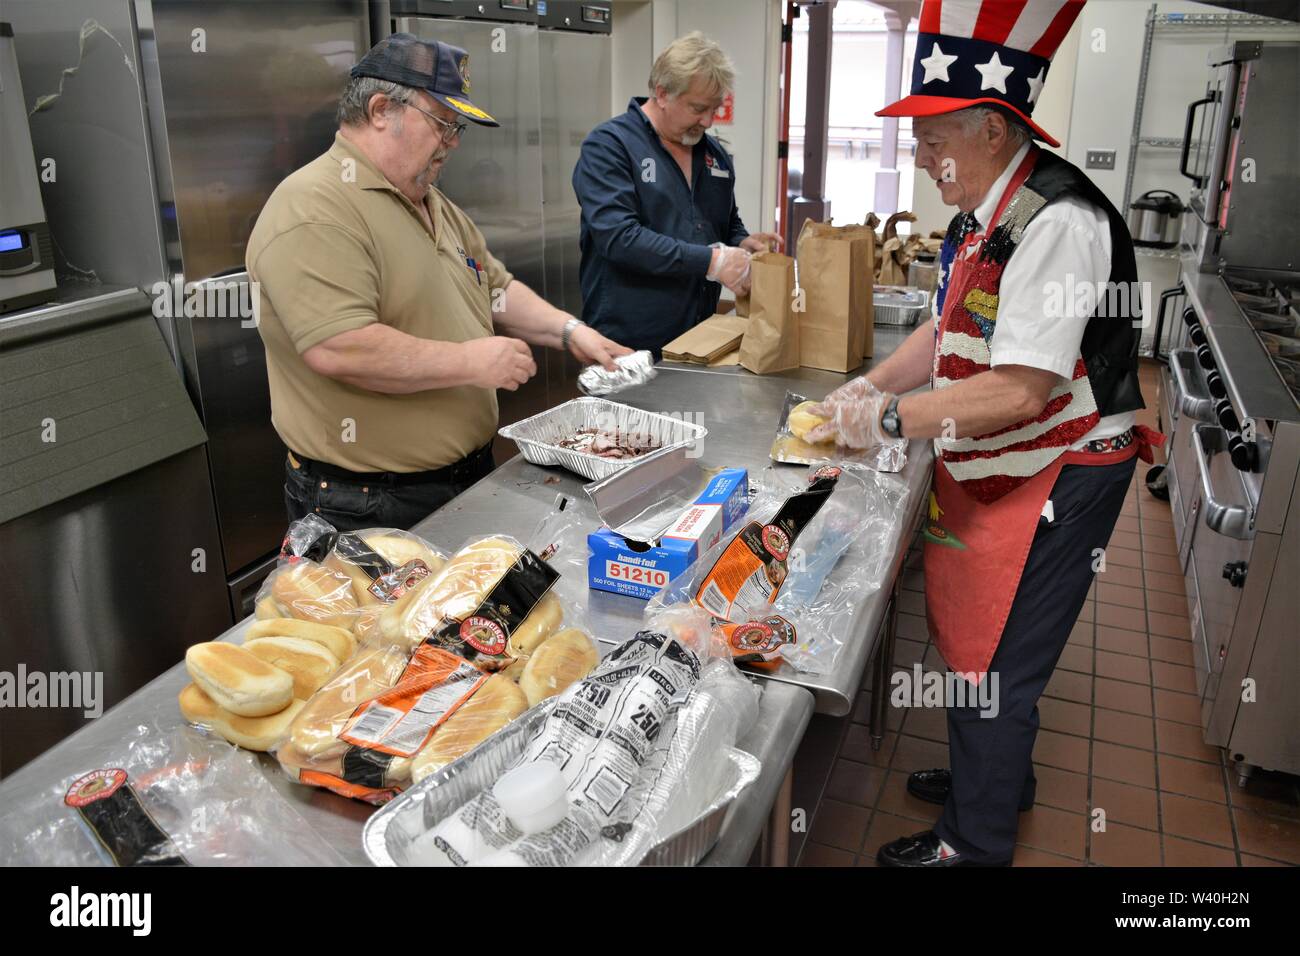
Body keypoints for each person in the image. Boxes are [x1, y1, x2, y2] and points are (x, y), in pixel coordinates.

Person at [807, 0, 1160, 866]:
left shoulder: (1058, 223)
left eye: (932, 138)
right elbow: (947, 328)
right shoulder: (983, 211)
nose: (918, 156)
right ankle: (996, 778)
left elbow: (1017, 390)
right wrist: (869, 384)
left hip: (1063, 471)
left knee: (1000, 660)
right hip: (1012, 464)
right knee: (983, 647)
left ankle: (975, 838)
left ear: (994, 131)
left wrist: (883, 420)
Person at [247, 34, 630, 532]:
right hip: (365, 502)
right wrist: (473, 361)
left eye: (457, 128)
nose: (452, 142)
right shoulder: (314, 207)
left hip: (462, 478)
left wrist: (571, 332)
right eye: (443, 124)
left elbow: (494, 287)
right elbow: (340, 348)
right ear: (382, 109)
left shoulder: (429, 201)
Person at [572, 32, 782, 356]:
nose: (708, 121)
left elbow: (724, 221)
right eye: (698, 108)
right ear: (662, 94)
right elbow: (619, 238)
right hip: (627, 346)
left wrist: (741, 242)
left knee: (691, 411)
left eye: (715, 108)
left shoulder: (714, 154)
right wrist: (712, 261)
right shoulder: (609, 146)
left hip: (700, 340)